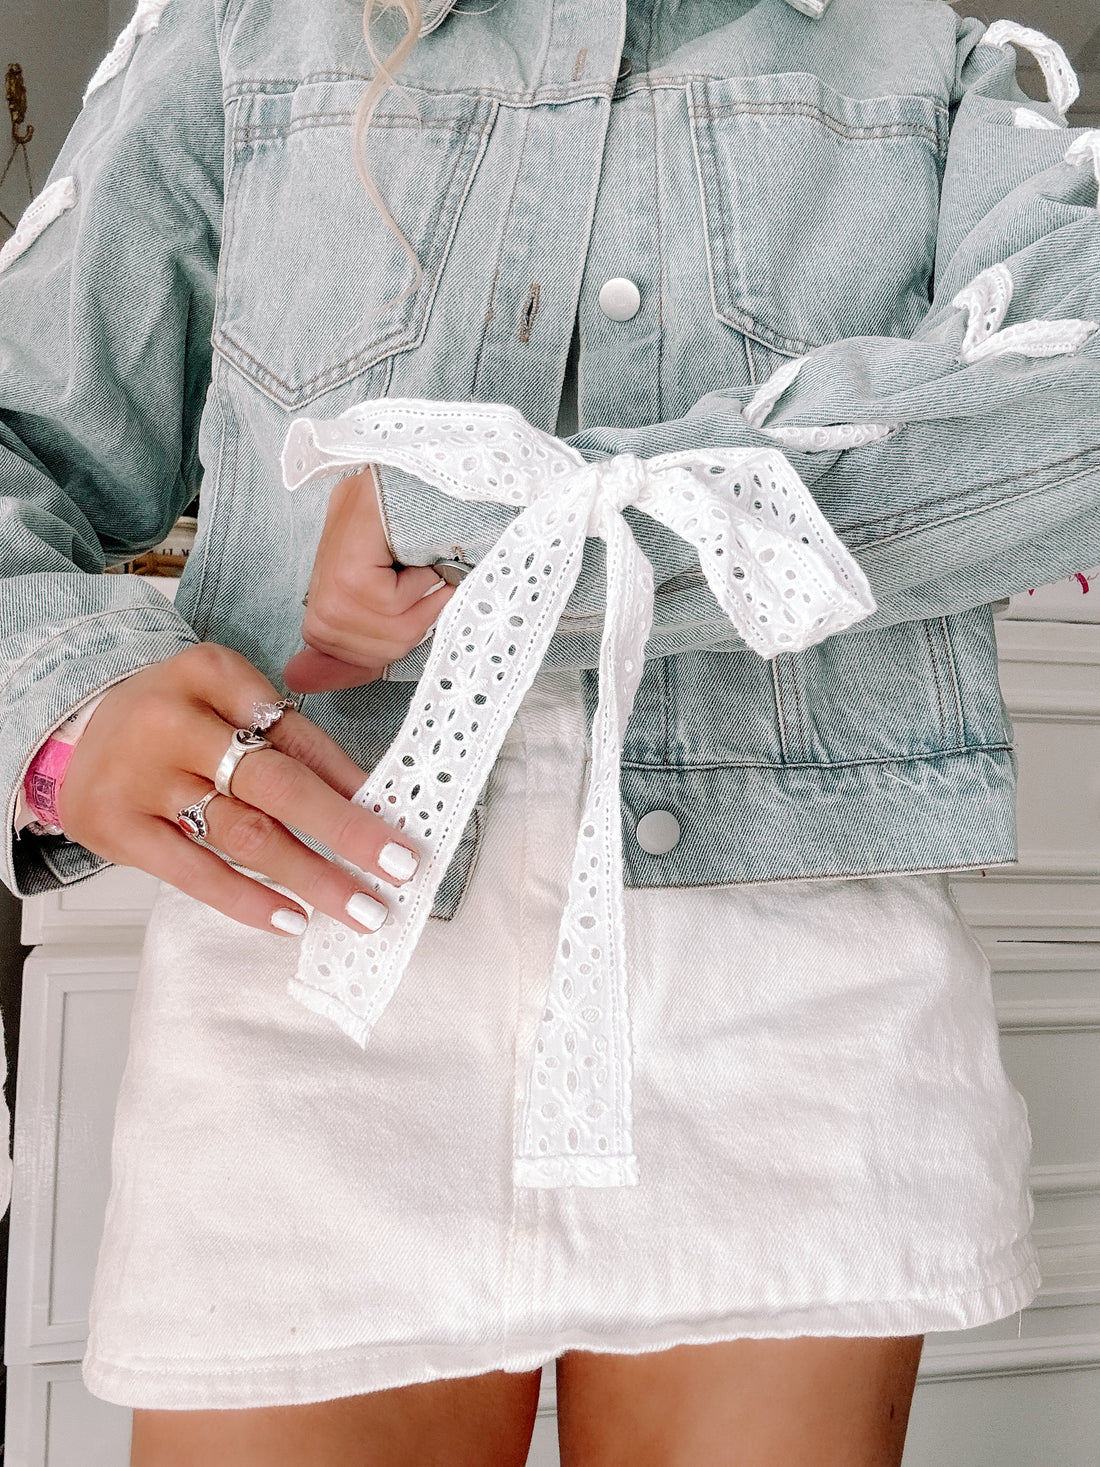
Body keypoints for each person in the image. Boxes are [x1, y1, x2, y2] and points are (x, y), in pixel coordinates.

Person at [1, 0, 1098, 1461]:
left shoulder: (930, 71)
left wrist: (496, 530)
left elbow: (1072, 409)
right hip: (318, 979)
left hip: (790, 1011)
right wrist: (71, 697)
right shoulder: (241, 37)